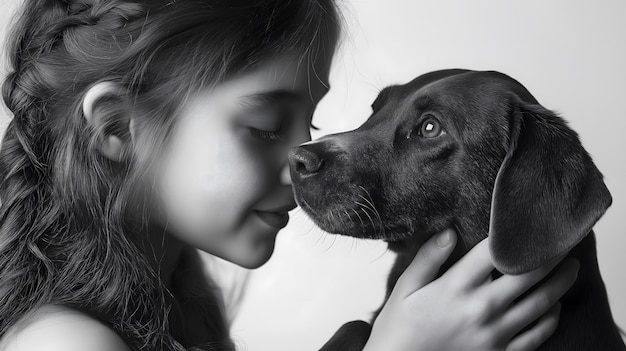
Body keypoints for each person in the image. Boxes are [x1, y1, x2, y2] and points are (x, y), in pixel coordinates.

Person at [0, 0, 579, 350]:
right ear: (120, 130)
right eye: (266, 125)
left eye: (308, 123)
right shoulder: (62, 342)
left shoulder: (181, 309)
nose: (303, 155)